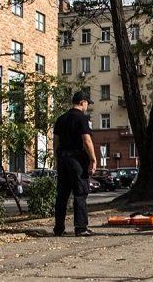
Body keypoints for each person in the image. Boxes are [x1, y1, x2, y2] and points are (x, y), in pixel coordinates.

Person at [52, 91, 97, 237]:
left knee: (62, 195)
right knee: (80, 193)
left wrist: (57, 158)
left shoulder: (61, 119)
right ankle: (81, 227)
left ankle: (59, 228)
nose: (87, 106)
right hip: (76, 159)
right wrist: (93, 159)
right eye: (87, 103)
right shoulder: (82, 119)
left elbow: (56, 141)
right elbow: (86, 140)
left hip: (63, 158)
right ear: (82, 102)